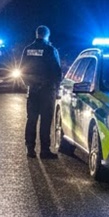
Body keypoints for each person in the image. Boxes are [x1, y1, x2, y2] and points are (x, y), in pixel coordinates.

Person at [20, 25, 63, 159]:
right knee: (46, 121)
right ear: (47, 35)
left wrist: (30, 84)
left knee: (31, 120)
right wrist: (55, 87)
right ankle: (44, 150)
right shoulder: (50, 49)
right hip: (47, 90)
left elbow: (22, 70)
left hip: (33, 91)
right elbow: (57, 72)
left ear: (37, 34)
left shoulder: (28, 49)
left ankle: (30, 148)